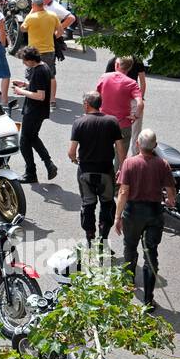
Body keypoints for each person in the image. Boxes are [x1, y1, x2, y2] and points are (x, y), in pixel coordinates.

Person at [114, 129, 177, 309]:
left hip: (133, 212)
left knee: (130, 248)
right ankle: (148, 299)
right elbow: (171, 193)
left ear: (137, 144)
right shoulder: (163, 164)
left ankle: (128, 285)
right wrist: (170, 200)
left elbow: (123, 191)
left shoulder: (129, 163)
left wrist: (117, 217)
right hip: (154, 212)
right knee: (151, 254)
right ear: (155, 146)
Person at [68, 92, 125, 245]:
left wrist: (75, 160)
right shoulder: (112, 121)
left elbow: (71, 151)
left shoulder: (79, 122)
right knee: (107, 204)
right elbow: (120, 148)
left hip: (85, 171)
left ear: (87, 104)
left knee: (88, 204)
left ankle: (90, 237)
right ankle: (103, 240)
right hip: (106, 171)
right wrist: (122, 167)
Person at [11, 46, 56, 184]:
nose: (23, 63)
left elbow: (40, 95)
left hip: (34, 111)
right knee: (33, 138)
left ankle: (31, 172)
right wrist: (25, 84)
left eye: (24, 61)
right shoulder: (43, 67)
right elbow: (38, 86)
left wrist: (21, 91)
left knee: (24, 142)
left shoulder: (39, 71)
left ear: (31, 60)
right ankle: (49, 164)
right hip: (39, 111)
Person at [97, 56, 144, 169]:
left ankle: (104, 174)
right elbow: (140, 104)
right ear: (130, 68)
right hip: (123, 124)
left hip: (104, 122)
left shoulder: (105, 77)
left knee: (103, 149)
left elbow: (95, 96)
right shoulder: (132, 83)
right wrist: (135, 116)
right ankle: (118, 177)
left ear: (117, 65)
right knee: (121, 154)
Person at [21, 0, 60, 108]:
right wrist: (52, 37)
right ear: (43, 4)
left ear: (33, 5)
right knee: (51, 75)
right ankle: (52, 100)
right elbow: (60, 31)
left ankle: (34, 95)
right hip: (49, 50)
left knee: (32, 74)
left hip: (34, 51)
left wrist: (30, 13)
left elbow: (22, 29)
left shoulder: (31, 17)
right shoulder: (53, 15)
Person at [104, 54, 147, 153]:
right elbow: (142, 82)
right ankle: (135, 156)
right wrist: (141, 97)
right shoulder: (137, 60)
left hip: (116, 99)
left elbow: (107, 82)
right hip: (134, 99)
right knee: (136, 131)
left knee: (112, 129)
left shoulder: (113, 61)